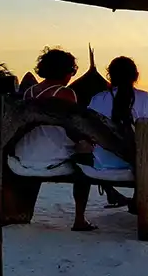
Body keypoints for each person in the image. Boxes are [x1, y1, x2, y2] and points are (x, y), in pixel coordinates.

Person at [13, 48, 95, 231]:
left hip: (25, 153)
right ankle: (79, 219)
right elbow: (74, 127)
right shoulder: (65, 93)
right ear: (66, 71)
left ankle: (23, 211)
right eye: (72, 71)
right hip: (51, 154)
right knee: (85, 155)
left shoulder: (29, 92)